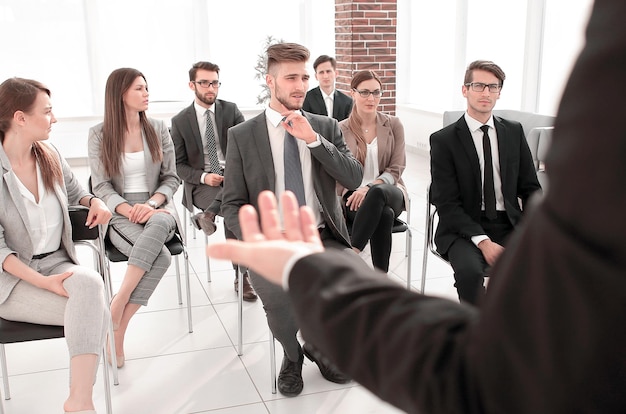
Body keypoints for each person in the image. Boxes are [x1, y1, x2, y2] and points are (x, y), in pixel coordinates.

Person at [220, 42, 363, 397]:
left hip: (321, 235)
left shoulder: (325, 127)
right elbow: (232, 203)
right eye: (290, 78)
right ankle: (293, 354)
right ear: (270, 81)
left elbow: (355, 178)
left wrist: (314, 141)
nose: (300, 85)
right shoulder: (242, 136)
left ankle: (318, 344)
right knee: (278, 296)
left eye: (304, 76)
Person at [0, 77, 112, 414]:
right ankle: (81, 403)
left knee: (91, 287)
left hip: (57, 263)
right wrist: (43, 283)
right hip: (12, 280)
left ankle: (78, 401)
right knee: (96, 312)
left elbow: (79, 190)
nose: (54, 118)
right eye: (47, 112)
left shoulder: (49, 154)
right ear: (20, 118)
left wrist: (95, 201)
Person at [88, 68, 181, 369]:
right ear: (120, 94)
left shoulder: (157, 127)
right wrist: (128, 210)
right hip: (120, 212)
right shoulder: (99, 134)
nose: (146, 94)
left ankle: (116, 309)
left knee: (158, 221)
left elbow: (171, 178)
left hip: (158, 209)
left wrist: (153, 203)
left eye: (146, 88)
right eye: (139, 89)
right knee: (163, 258)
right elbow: (101, 186)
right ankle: (120, 328)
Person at [429, 60, 541, 306]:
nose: (486, 93)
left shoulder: (514, 132)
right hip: (463, 228)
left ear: (499, 92)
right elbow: (446, 203)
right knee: (470, 274)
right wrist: (483, 241)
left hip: (509, 223)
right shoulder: (443, 140)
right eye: (479, 85)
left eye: (493, 87)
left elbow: (531, 189)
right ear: (465, 90)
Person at [170, 61, 257, 301]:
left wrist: (233, 172)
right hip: (202, 186)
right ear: (192, 85)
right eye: (205, 83)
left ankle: (208, 216)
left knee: (232, 201)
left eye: (215, 82)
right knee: (233, 206)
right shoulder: (180, 121)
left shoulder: (231, 111)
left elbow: (246, 150)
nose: (211, 88)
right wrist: (204, 177)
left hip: (234, 178)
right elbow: (178, 165)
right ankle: (243, 276)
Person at [338, 70, 407, 272]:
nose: (371, 98)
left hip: (389, 190)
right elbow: (339, 171)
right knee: (384, 215)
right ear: (353, 93)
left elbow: (396, 169)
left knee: (377, 193)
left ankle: (353, 251)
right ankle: (380, 279)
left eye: (376, 93)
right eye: (365, 92)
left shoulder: (393, 125)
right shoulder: (341, 129)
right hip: (353, 197)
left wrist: (368, 187)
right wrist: (358, 190)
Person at [302, 55, 353, 121]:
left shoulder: (347, 101)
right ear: (316, 76)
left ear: (336, 73)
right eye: (321, 72)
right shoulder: (307, 99)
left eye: (328, 71)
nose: (325, 76)